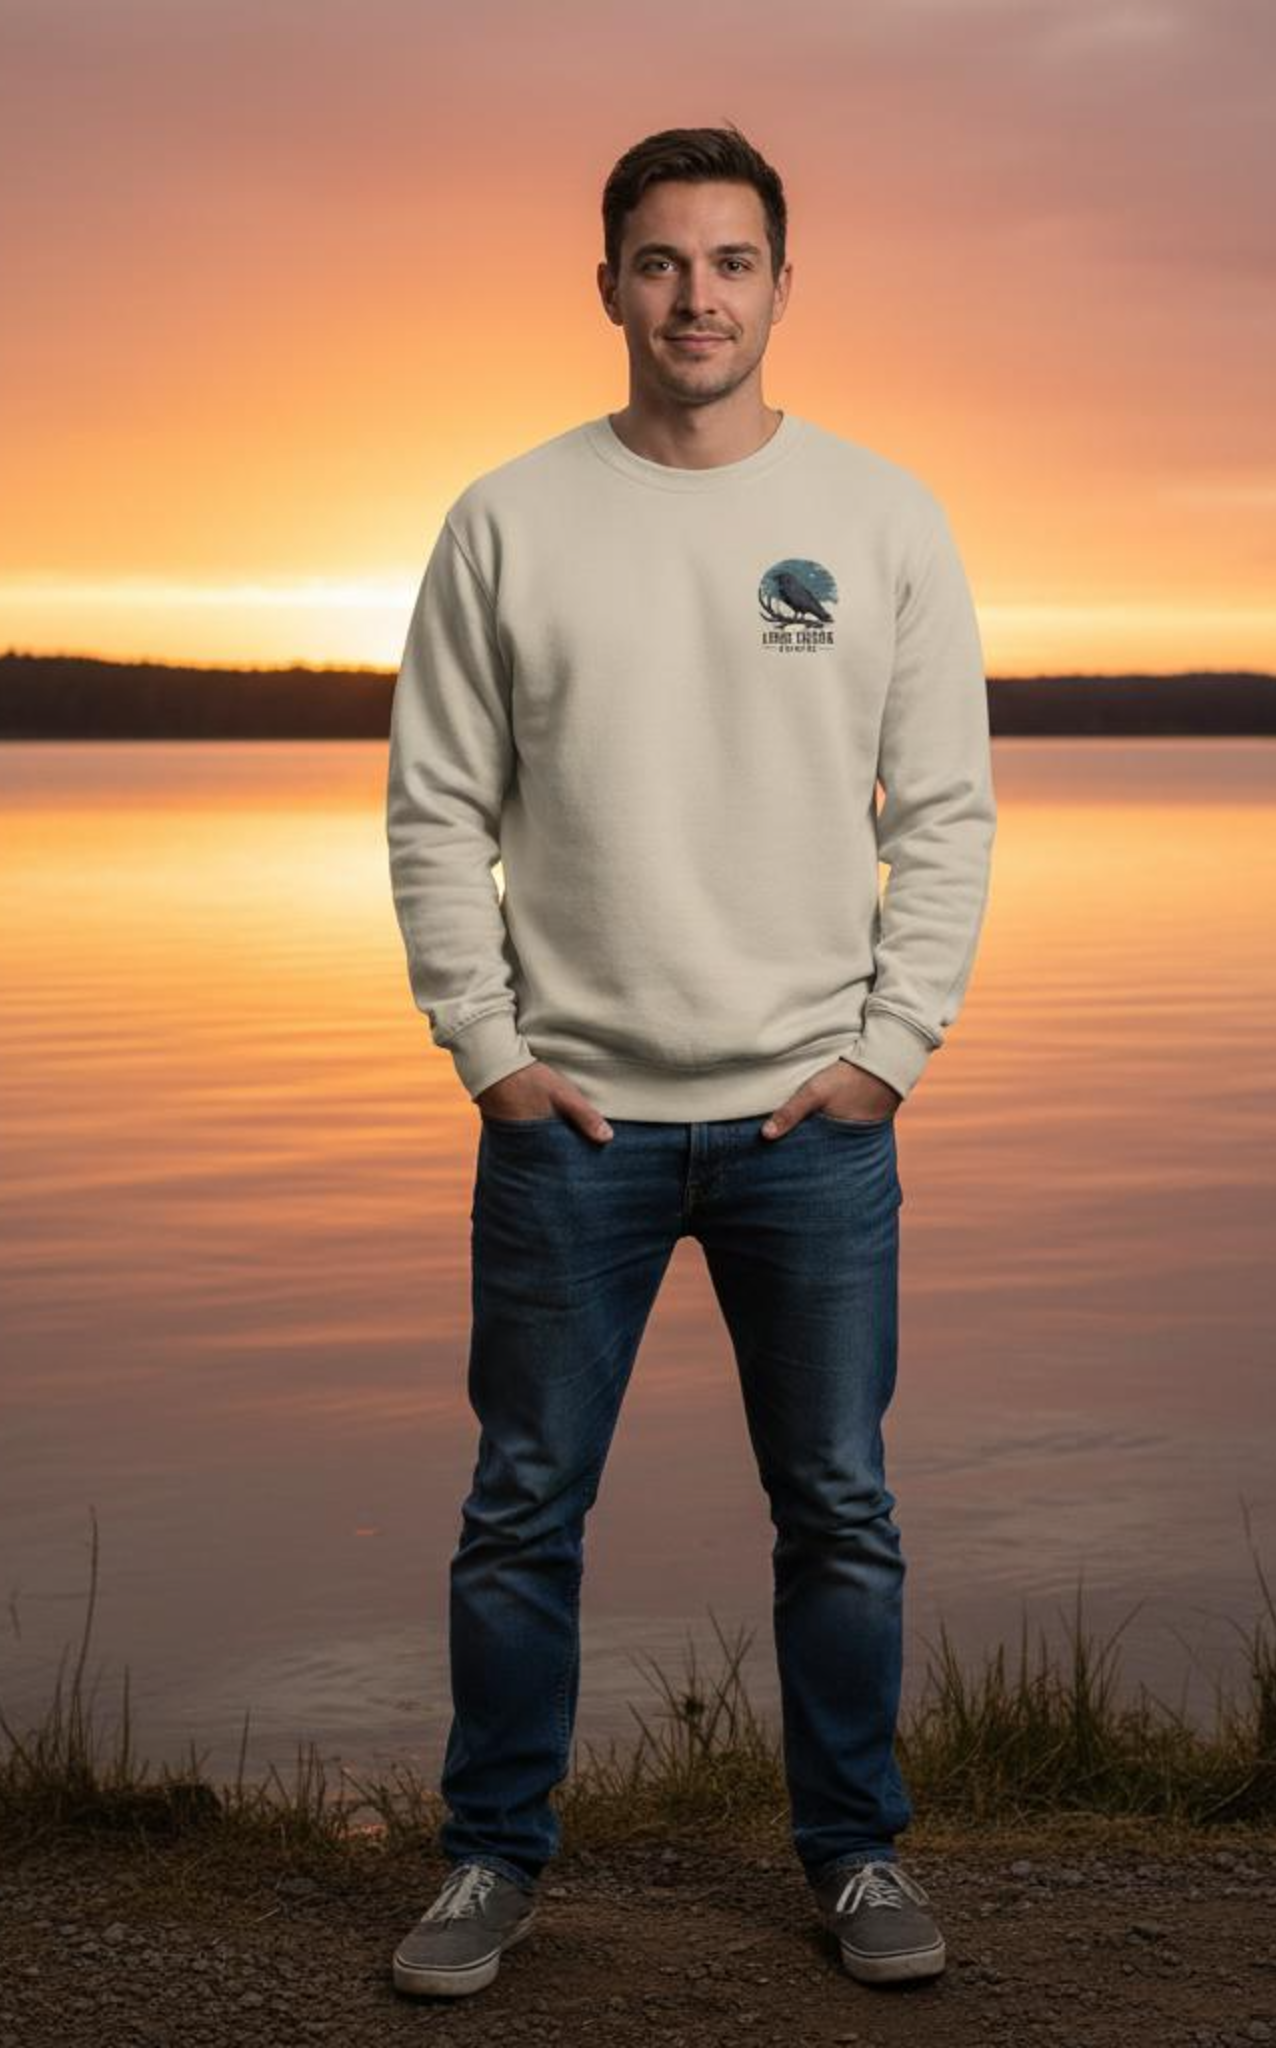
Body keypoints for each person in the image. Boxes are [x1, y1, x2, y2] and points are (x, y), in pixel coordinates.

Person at [382, 122, 996, 1999]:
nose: (697, 297)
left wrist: (891, 1051)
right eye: (661, 263)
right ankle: (493, 1859)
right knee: (520, 1510)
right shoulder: (509, 517)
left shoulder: (886, 517)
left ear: (783, 287)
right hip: (573, 1122)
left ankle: (857, 1853)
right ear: (608, 287)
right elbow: (434, 812)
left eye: (732, 262)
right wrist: (486, 1049)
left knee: (839, 1506)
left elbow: (949, 814)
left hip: (812, 1122)